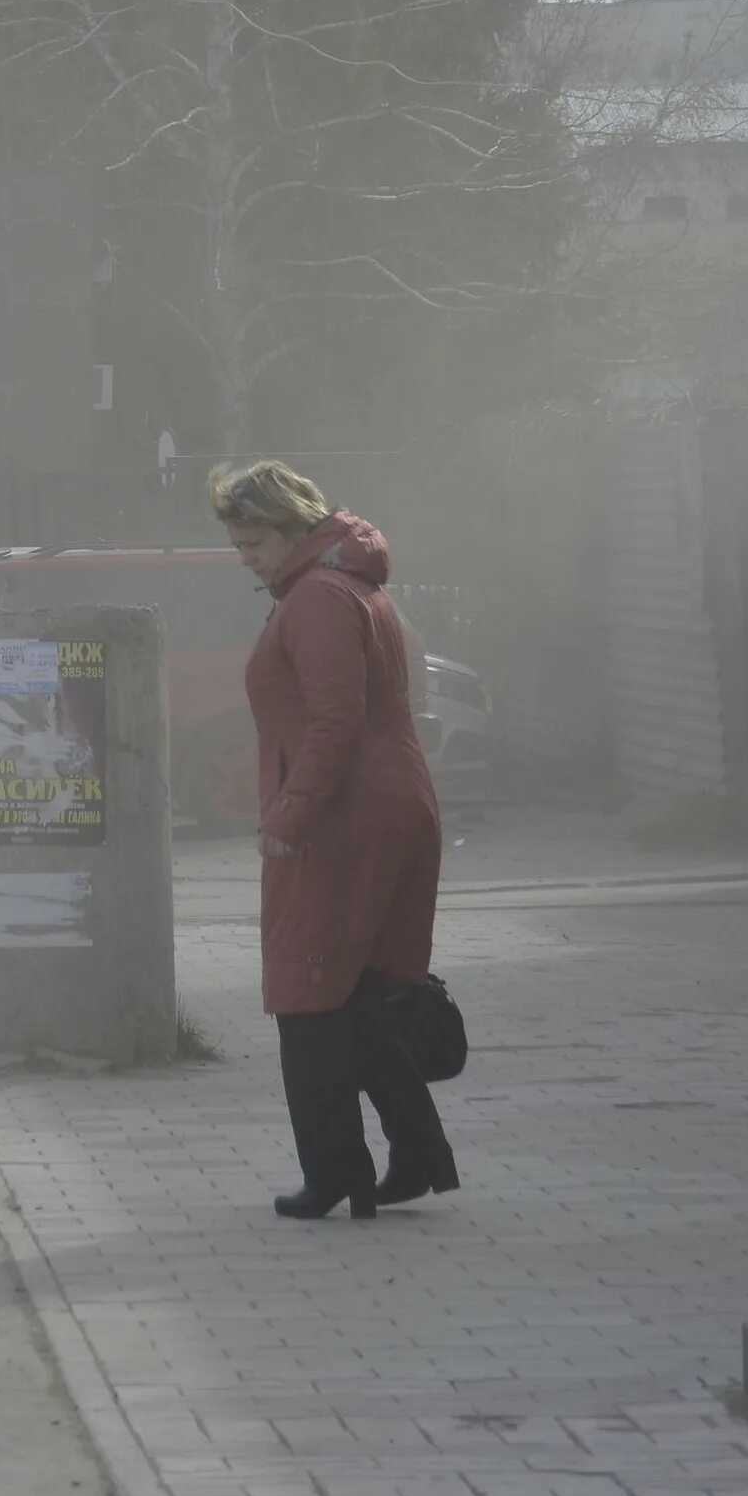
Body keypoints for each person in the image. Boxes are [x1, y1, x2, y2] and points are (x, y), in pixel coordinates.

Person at [210, 459, 456, 1221]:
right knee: (358, 993)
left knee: (307, 991)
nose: (244, 557)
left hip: (344, 818)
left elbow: (334, 723)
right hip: (386, 805)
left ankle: (334, 1171)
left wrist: (290, 813)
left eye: (253, 541)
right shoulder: (353, 587)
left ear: (291, 529)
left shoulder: (317, 598)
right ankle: (415, 1155)